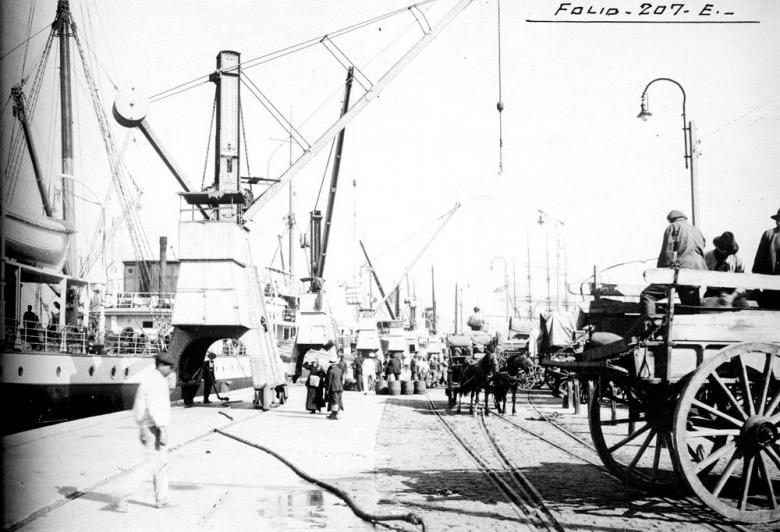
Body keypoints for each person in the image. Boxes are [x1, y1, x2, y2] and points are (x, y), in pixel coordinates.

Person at [112, 351, 175, 511]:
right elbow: (155, 408)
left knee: (161, 464)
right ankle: (122, 493)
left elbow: (139, 407)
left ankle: (162, 499)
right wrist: (162, 429)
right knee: (150, 465)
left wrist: (142, 427)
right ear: (162, 365)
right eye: (170, 367)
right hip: (154, 428)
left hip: (149, 427)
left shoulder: (151, 378)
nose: (171, 370)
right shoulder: (157, 381)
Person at [639, 210, 707, 317]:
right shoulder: (695, 229)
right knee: (690, 307)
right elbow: (702, 245)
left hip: (681, 273)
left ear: (671, 219)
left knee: (647, 295)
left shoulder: (673, 227)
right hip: (697, 275)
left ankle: (650, 324)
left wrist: (661, 273)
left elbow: (668, 250)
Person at [703, 231, 747, 306]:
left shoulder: (737, 260)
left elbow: (742, 282)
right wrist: (721, 293)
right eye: (723, 252)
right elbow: (701, 278)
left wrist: (732, 296)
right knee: (705, 307)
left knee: (744, 307)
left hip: (733, 293)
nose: (726, 255)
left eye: (728, 253)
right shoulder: (707, 257)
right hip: (713, 292)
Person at [751, 208, 780, 309]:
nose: (778, 222)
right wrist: (756, 286)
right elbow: (758, 262)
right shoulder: (769, 234)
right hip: (771, 286)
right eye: (777, 219)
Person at [326, 355, 344, 420]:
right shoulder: (340, 370)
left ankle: (335, 415)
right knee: (338, 400)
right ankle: (334, 414)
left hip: (333, 388)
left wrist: (327, 389)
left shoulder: (331, 371)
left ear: (331, 364)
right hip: (339, 387)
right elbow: (341, 379)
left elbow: (329, 381)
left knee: (334, 401)